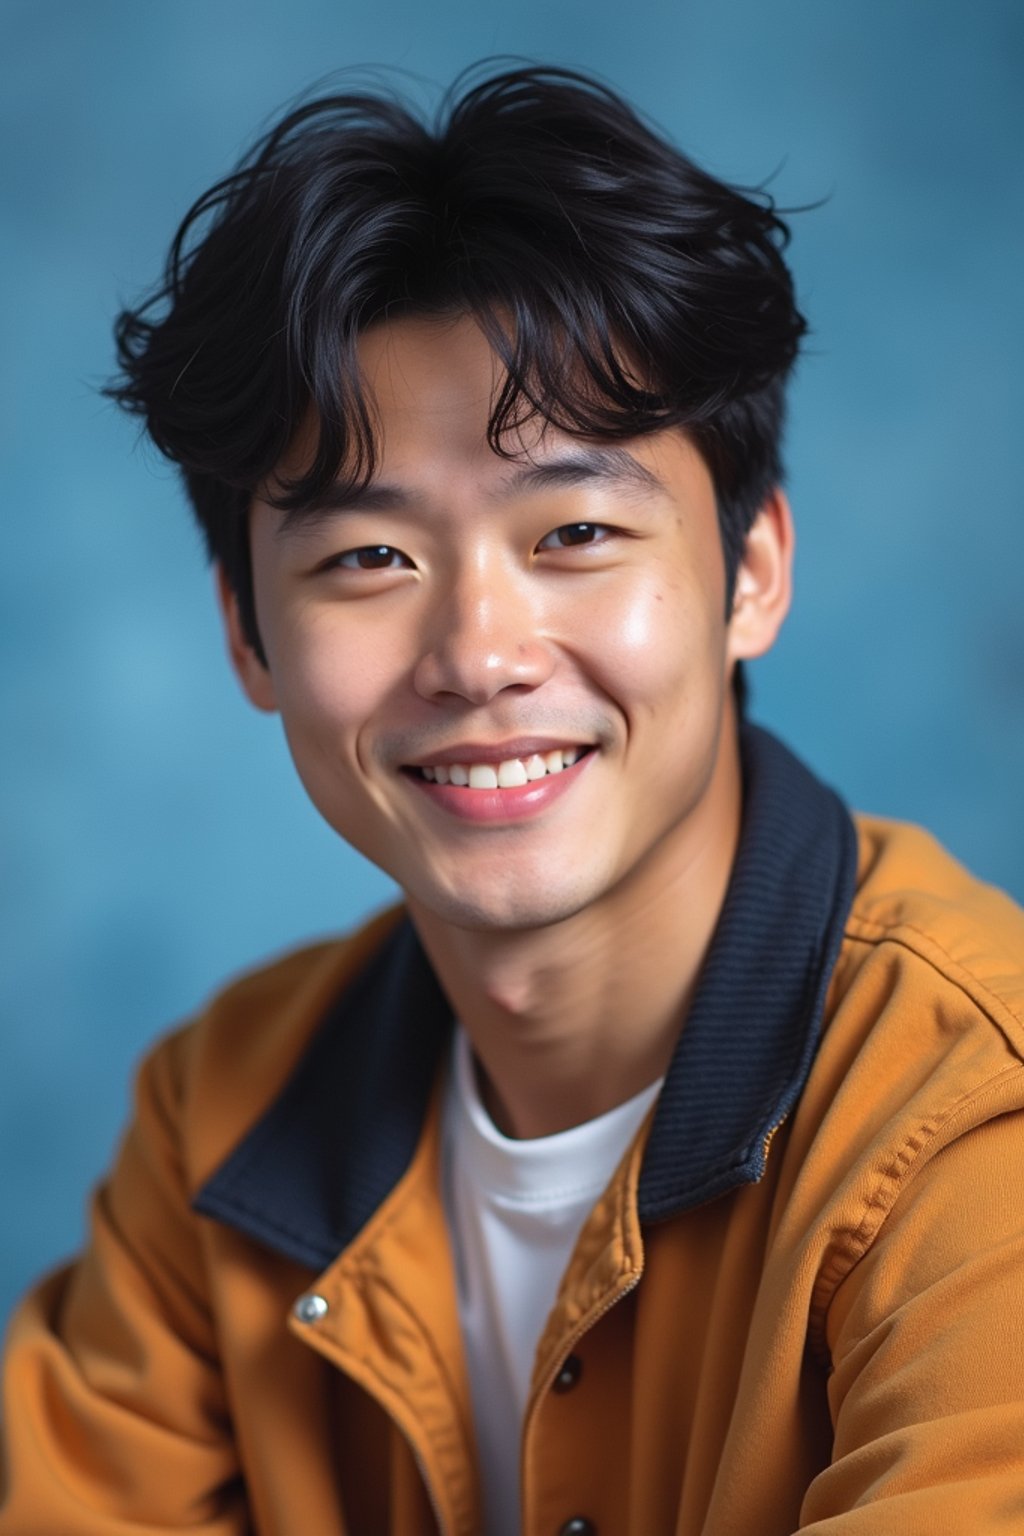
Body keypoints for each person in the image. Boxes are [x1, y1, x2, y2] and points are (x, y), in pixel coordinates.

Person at [2, 63, 1023, 1536]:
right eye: (368, 559)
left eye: (578, 531)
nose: (479, 655)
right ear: (246, 637)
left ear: (752, 572)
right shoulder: (213, 1120)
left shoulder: (967, 1125)